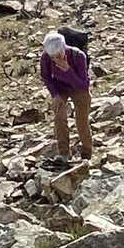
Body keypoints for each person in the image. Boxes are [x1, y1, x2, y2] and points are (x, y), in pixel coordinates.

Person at [39, 30, 92, 161]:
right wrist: (55, 94)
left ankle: (87, 152)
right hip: (60, 88)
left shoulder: (78, 56)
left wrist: (67, 70)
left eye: (58, 55)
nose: (55, 59)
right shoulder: (45, 57)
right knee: (59, 118)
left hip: (78, 88)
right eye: (53, 57)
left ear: (64, 48)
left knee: (81, 121)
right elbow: (46, 77)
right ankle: (64, 153)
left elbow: (83, 84)